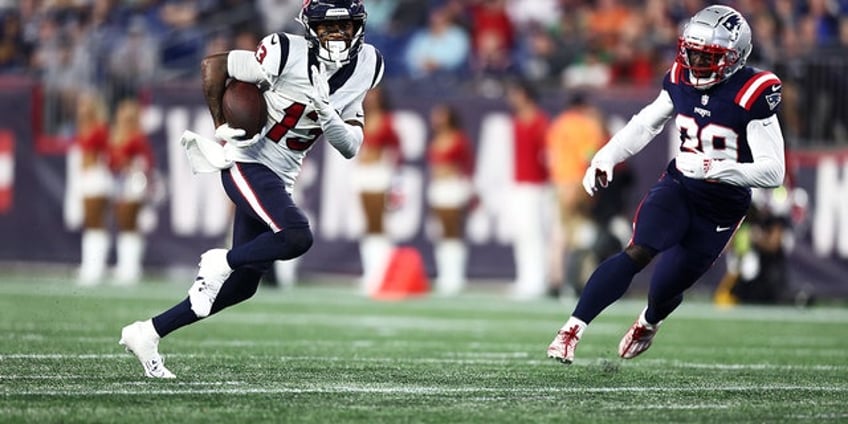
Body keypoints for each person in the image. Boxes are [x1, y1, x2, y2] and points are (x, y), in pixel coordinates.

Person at [119, 0, 383, 378]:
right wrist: (219, 124)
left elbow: (350, 147)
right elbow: (213, 66)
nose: (336, 35)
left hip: (282, 174)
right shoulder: (284, 51)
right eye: (326, 27)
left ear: (359, 26)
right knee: (295, 236)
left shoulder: (368, 64)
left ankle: (148, 332)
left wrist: (329, 118)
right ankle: (219, 260)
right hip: (248, 160)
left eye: (344, 26)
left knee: (244, 286)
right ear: (310, 28)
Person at [547, 5, 786, 364]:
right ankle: (572, 329)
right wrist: (606, 156)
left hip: (723, 203)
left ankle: (649, 320)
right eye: (691, 51)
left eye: (707, 56)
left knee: (666, 287)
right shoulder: (679, 77)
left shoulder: (753, 91)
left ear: (734, 57)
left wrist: (720, 168)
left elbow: (773, 172)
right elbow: (646, 124)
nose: (695, 61)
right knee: (638, 250)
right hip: (680, 186)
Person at [545, 92, 606, 298]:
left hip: (559, 181)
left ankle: (556, 280)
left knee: (559, 232)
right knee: (582, 233)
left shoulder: (559, 124)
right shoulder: (587, 125)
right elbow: (588, 155)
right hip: (578, 181)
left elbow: (551, 154)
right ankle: (580, 280)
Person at [504, 80, 551, 300]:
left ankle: (537, 279)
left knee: (535, 233)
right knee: (522, 233)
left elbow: (548, 154)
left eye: (516, 94)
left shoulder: (539, 121)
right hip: (519, 184)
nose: (512, 98)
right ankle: (525, 278)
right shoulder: (516, 121)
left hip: (537, 186)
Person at [355, 87, 401, 294]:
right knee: (367, 224)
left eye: (375, 95)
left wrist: (392, 174)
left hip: (379, 173)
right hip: (362, 173)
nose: (371, 99)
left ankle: (381, 274)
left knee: (378, 224)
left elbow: (397, 147)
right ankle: (371, 272)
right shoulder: (360, 117)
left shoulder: (387, 120)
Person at [426, 103, 474, 296]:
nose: (437, 120)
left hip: (454, 187)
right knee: (441, 233)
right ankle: (445, 275)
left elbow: (467, 165)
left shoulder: (459, 139)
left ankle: (456, 277)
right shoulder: (436, 139)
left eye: (441, 116)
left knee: (453, 232)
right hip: (439, 188)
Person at [108, 98, 156, 285]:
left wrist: (132, 167)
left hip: (134, 182)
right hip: (120, 181)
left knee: (130, 223)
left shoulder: (137, 138)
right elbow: (112, 162)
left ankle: (131, 267)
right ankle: (126, 265)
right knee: (124, 224)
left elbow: (147, 162)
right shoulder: (117, 136)